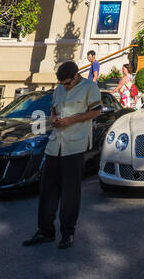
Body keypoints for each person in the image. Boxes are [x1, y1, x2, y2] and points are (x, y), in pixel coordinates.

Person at [24, 61, 103, 250]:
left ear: (76, 76)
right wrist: (54, 118)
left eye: (67, 83)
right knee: (48, 191)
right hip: (55, 144)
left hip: (74, 145)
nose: (64, 86)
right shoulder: (59, 89)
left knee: (70, 192)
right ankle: (45, 231)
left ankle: (68, 233)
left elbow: (96, 111)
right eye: (62, 83)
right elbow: (53, 108)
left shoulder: (89, 87)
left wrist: (71, 120)